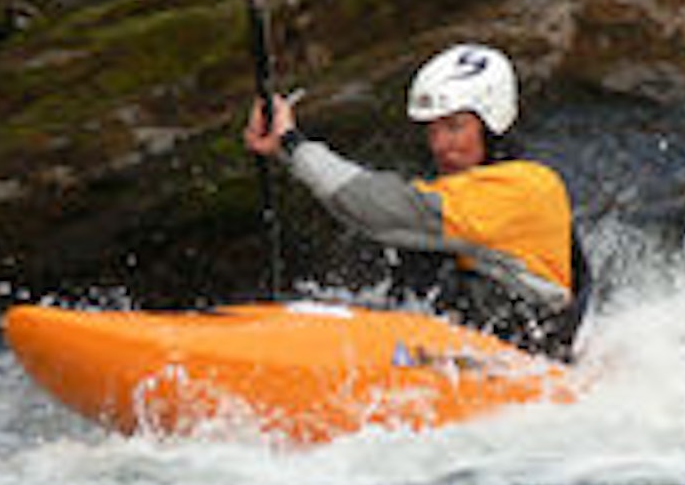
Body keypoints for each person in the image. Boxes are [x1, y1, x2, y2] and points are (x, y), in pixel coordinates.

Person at [244, 43, 591, 362]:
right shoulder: (467, 188)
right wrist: (285, 151)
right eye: (433, 129)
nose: (440, 144)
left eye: (455, 127)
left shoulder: (524, 188)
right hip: (478, 352)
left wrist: (292, 142)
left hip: (520, 359)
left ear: (492, 125)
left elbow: (372, 209)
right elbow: (363, 211)